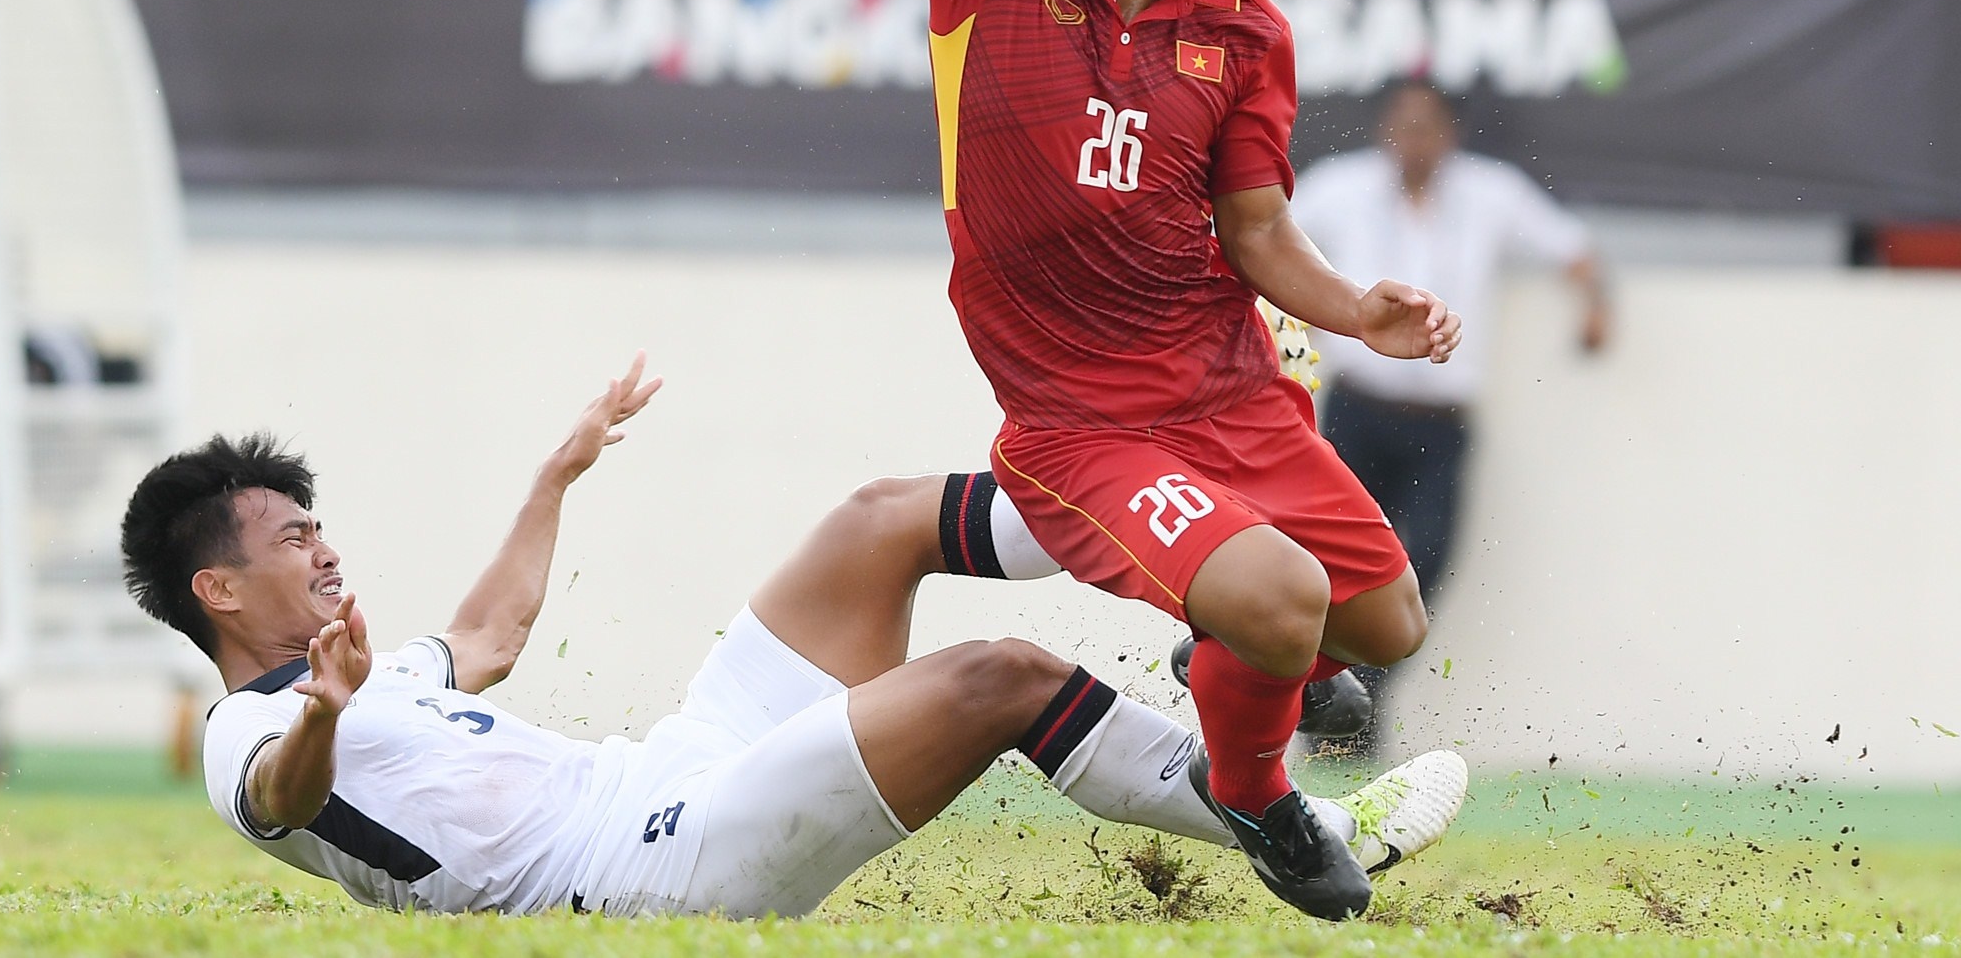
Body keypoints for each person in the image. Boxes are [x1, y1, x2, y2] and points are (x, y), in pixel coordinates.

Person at [883, 0, 1466, 920]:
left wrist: (1353, 306)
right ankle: (1259, 798)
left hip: (1230, 386)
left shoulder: (1247, 29)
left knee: (1384, 625)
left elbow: (1256, 225)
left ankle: (1236, 657)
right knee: (1279, 598)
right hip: (1080, 421)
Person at [119, 353, 1466, 920]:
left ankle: (1172, 540)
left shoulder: (366, 668)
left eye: (317, 523)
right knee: (1000, 679)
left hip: (674, 769)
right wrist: (322, 715)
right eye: (291, 538)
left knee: (875, 522)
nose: (325, 546)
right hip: (641, 878)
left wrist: (557, 473)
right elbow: (284, 800)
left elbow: (494, 626)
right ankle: (1294, 823)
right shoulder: (250, 730)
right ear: (218, 594)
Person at [1287, 81, 1608, 746]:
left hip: (1440, 420)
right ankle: (1334, 714)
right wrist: (1293, 329)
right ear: (1384, 131)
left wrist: (1595, 309)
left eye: (1427, 127)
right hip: (1357, 411)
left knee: (1423, 566)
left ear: (1450, 134)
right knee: (1332, 565)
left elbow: (1573, 249)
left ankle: (1356, 695)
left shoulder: (1492, 194)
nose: (1415, 140)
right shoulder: (1339, 187)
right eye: (1403, 126)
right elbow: (1268, 239)